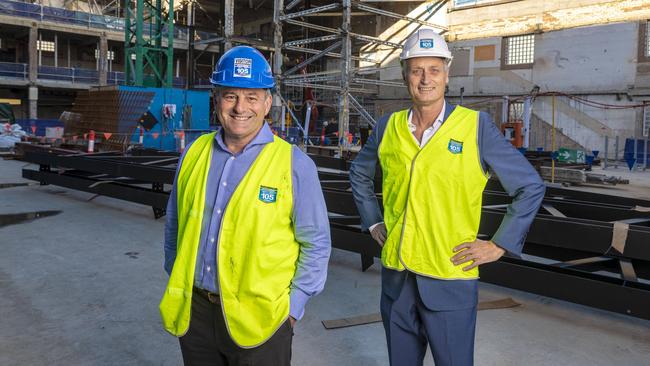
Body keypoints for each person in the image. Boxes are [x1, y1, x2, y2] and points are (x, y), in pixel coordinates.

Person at [349, 28, 545, 366]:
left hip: (450, 279)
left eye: (434, 70)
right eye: (417, 70)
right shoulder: (387, 128)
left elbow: (530, 186)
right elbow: (359, 174)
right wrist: (373, 222)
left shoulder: (475, 127)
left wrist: (499, 245)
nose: (425, 79)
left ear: (447, 74)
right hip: (397, 280)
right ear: (405, 74)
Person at [160, 45, 331, 366]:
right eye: (230, 96)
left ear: (267, 103)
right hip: (195, 314)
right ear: (217, 99)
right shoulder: (194, 154)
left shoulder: (294, 165)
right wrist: (176, 272)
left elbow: (317, 244)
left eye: (252, 97)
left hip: (263, 320)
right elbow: (175, 223)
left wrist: (292, 310)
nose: (240, 108)